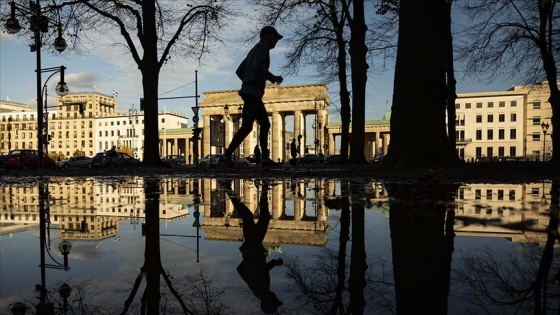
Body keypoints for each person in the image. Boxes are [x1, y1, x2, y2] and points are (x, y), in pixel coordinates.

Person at [219, 26, 284, 169]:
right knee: (261, 125)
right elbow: (259, 67)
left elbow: (239, 71)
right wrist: (273, 78)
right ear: (267, 36)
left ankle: (227, 157)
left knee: (250, 126)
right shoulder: (263, 47)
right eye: (275, 38)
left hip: (249, 91)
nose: (276, 41)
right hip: (253, 93)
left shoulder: (253, 50)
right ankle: (263, 160)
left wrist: (247, 80)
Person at [220, 180, 284, 314]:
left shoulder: (262, 291)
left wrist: (273, 262)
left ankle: (265, 188)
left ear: (268, 302)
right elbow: (241, 270)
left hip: (254, 248)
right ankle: (227, 187)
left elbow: (261, 270)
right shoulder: (257, 291)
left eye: (275, 301)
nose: (277, 298)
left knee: (264, 217)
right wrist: (248, 259)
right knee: (247, 215)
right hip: (249, 249)